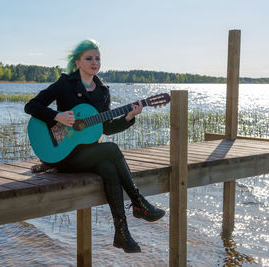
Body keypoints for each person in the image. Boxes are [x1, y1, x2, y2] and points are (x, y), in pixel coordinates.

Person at [24, 39, 165, 253]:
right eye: (89, 58)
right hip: (62, 154)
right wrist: (57, 116)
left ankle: (122, 233)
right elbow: (31, 106)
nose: (94, 62)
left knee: (109, 168)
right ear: (78, 62)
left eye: (97, 58)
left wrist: (128, 117)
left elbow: (105, 129)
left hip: (86, 153)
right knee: (112, 150)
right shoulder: (65, 84)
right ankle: (138, 201)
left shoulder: (102, 91)